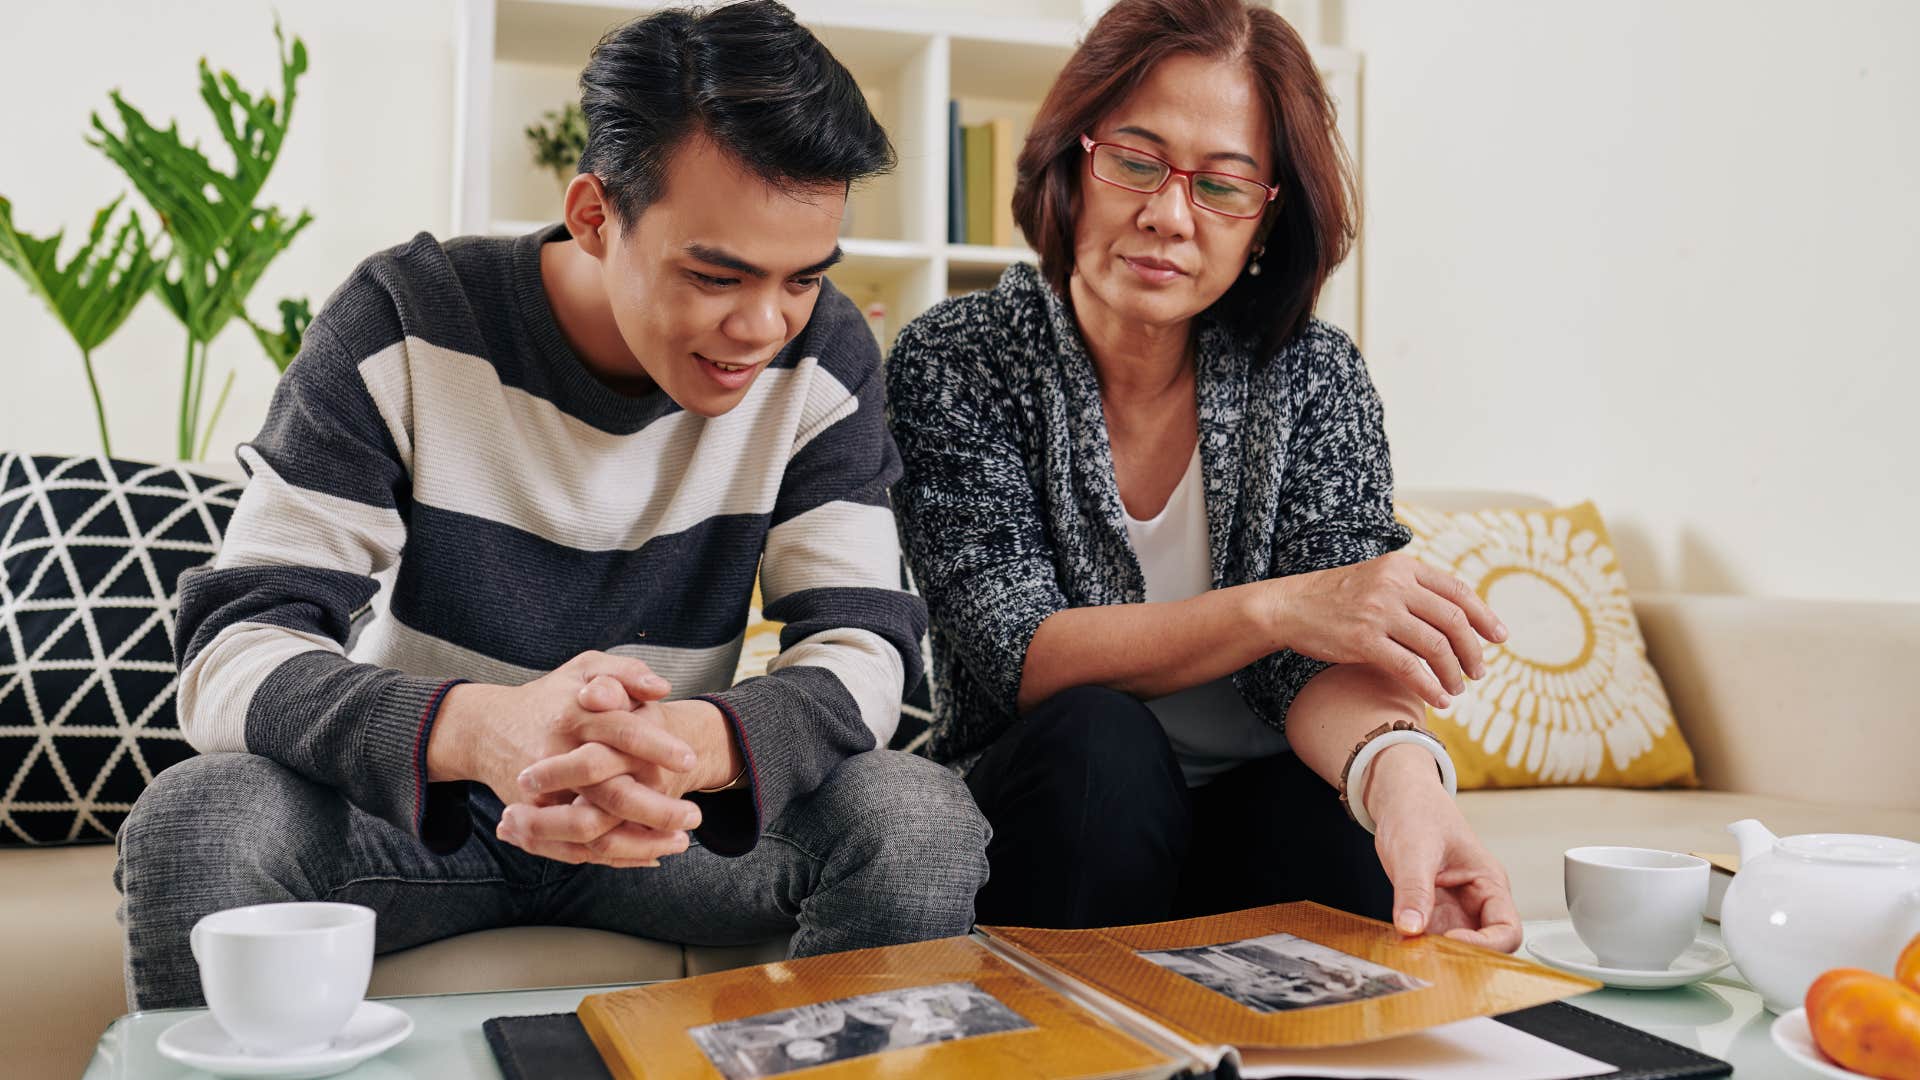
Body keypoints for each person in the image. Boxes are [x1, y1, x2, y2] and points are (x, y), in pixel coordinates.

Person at [116, 0, 988, 1010]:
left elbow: (864, 647)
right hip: (427, 813)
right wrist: (485, 730)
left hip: (669, 817)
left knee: (918, 817)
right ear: (592, 215)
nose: (762, 326)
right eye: (716, 273)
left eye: (802, 279)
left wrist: (696, 746)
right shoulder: (406, 318)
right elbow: (233, 650)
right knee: (204, 816)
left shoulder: (822, 351)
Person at [886, 0, 1520, 950]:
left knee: (1349, 847)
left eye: (1222, 186)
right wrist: (1282, 607)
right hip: (1061, 811)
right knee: (1102, 743)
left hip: (1255, 811)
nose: (1167, 216)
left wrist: (1407, 783)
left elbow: (1338, 653)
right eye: (1137, 162)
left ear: (1267, 217)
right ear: (1073, 160)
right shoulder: (957, 358)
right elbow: (1020, 652)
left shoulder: (1316, 375)